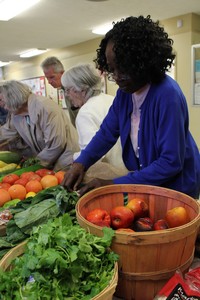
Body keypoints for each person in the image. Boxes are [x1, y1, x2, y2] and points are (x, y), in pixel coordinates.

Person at [61, 15, 200, 199]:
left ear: (143, 62)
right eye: (112, 69)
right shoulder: (124, 94)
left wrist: (114, 184)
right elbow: (106, 133)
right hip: (147, 182)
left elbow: (170, 162)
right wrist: (81, 163)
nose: (117, 77)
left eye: (124, 68)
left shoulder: (167, 94)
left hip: (176, 186)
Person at [61, 63, 127, 174]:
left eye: (68, 90)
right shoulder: (111, 99)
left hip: (111, 173)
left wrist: (73, 157)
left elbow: (93, 153)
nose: (67, 95)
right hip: (128, 168)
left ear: (81, 89)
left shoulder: (85, 113)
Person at [0, 80, 79, 171]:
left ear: (13, 97)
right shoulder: (16, 113)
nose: (0, 104)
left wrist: (34, 163)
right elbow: (6, 132)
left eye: (1, 100)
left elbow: (56, 145)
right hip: (48, 162)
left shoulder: (45, 107)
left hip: (67, 162)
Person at [41, 56, 79, 127]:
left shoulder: (74, 89)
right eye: (47, 78)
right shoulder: (65, 89)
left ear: (62, 73)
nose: (49, 82)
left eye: (52, 77)